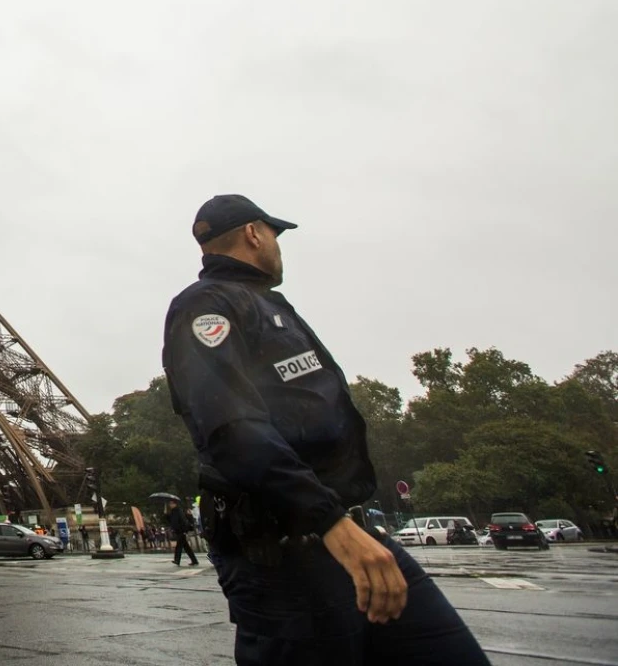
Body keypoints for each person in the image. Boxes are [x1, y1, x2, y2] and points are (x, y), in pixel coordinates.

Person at [163, 194, 488, 664]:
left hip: (342, 531)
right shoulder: (204, 307)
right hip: (287, 553)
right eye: (274, 233)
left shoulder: (265, 305)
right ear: (255, 233)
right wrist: (330, 523)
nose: (278, 245)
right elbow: (233, 431)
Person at [167, 497, 199, 566]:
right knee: (186, 547)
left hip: (181, 531)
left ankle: (177, 560)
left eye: (171, 503)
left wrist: (184, 530)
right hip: (178, 531)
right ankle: (194, 560)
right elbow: (170, 521)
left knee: (179, 546)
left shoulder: (178, 511)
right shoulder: (173, 512)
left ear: (175, 504)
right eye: (169, 504)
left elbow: (183, 521)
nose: (170, 505)